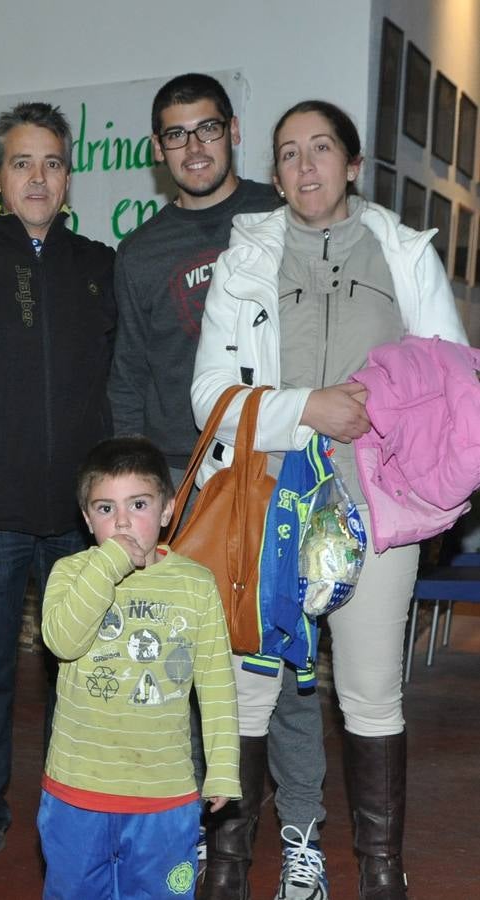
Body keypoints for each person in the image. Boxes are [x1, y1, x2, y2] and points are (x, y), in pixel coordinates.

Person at [191, 100, 467, 900]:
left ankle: (381, 873)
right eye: (286, 154)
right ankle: (227, 865)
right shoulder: (243, 258)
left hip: (376, 504)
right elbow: (207, 392)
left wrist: (372, 416)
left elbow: (449, 388)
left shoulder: (404, 252)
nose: (303, 165)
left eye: (320, 149)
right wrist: (303, 407)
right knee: (243, 689)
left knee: (372, 691)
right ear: (273, 173)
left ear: (351, 164)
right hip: (262, 501)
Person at [109, 73, 330, 900]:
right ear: (158, 149)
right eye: (175, 134)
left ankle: (301, 836)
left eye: (206, 129)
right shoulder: (140, 253)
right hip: (183, 484)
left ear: (233, 131)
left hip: (279, 475)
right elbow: (127, 379)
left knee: (286, 664)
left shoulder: (284, 220)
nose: (193, 146)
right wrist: (140, 499)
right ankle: (207, 831)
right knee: (190, 674)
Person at [0, 102, 115, 880]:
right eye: (20, 163)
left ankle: (75, 804)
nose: (35, 177)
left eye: (50, 163)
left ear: (67, 178)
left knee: (79, 671)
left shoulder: (100, 267)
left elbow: (118, 388)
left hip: (80, 519)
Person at [39, 436, 241, 899]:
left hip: (163, 793)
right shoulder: (71, 573)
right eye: (106, 509)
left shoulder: (195, 584)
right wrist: (109, 564)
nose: (124, 521)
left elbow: (215, 682)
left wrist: (224, 765)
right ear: (88, 519)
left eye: (139, 504)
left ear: (168, 510)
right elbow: (63, 641)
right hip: (77, 790)